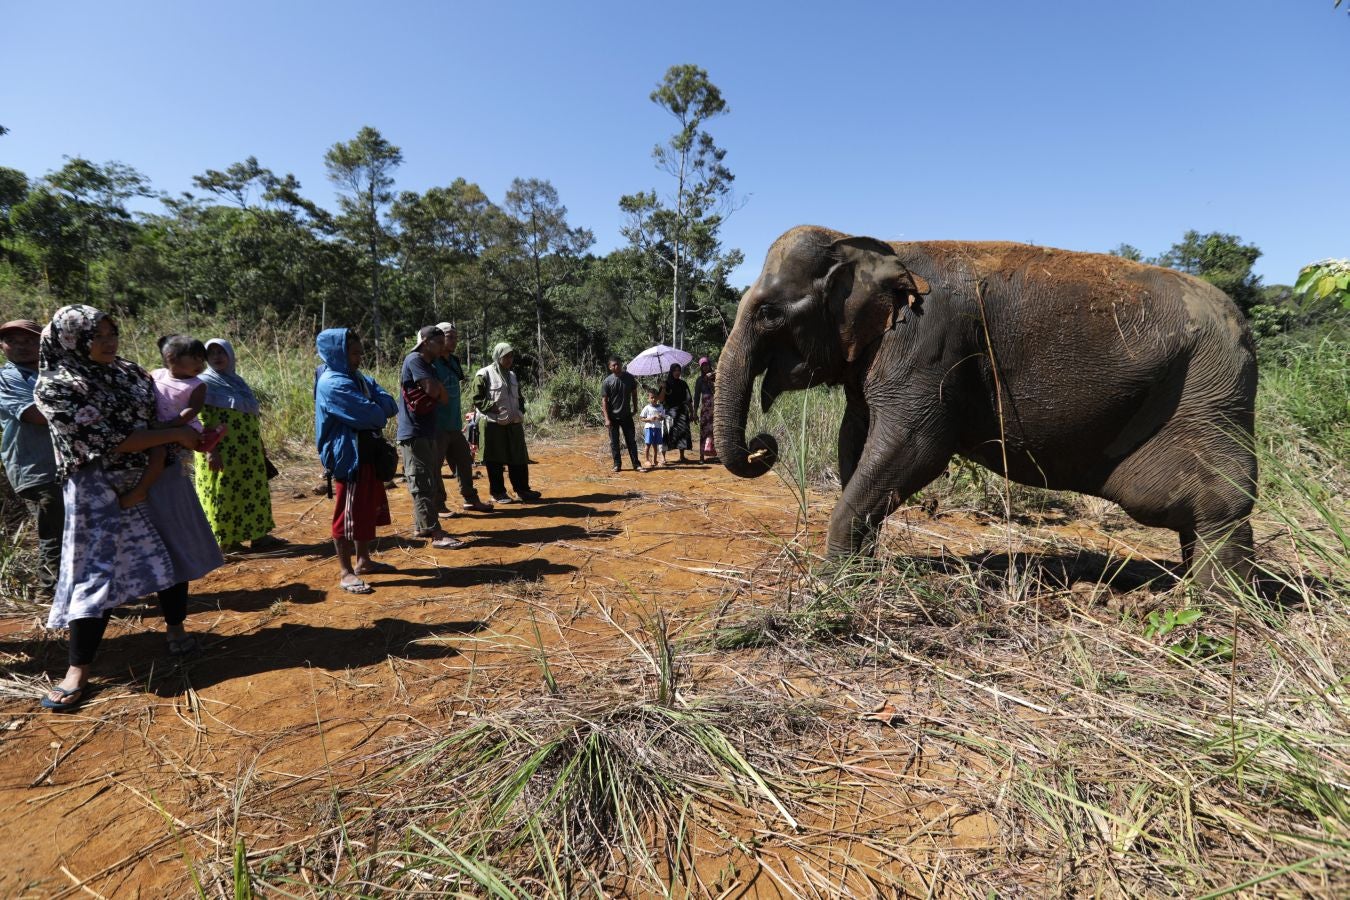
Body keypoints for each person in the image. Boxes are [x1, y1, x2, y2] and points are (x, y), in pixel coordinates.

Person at [33, 305, 223, 712]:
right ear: (71, 339)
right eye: (96, 335)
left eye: (112, 332)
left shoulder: (129, 372)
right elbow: (108, 440)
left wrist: (174, 442)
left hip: (159, 478)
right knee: (95, 572)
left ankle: (175, 630)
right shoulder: (56, 385)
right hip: (99, 490)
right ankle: (77, 670)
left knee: (171, 556)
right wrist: (176, 435)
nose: (109, 341)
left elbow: (154, 419)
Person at [315, 328, 399, 593]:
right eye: (353, 353)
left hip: (366, 453)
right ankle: (345, 571)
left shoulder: (356, 377)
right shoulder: (334, 383)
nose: (359, 358)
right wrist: (373, 405)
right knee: (347, 514)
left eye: (360, 352)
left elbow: (390, 405)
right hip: (349, 456)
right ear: (337, 353)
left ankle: (364, 561)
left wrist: (373, 405)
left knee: (365, 510)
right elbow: (375, 415)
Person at [195, 338, 281, 551]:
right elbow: (201, 419)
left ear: (230, 355)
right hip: (221, 451)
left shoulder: (238, 382)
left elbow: (250, 417)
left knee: (253, 491)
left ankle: (259, 536)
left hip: (247, 451)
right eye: (212, 353)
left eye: (221, 352)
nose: (217, 357)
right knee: (223, 494)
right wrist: (211, 450)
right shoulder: (204, 383)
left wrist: (259, 443)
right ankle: (227, 541)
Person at [0, 319, 63, 597]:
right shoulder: (8, 378)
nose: (21, 346)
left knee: (73, 527)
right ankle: (52, 593)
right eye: (12, 340)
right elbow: (35, 416)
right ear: (2, 346)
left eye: (29, 340)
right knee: (55, 528)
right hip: (37, 467)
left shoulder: (56, 372)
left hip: (66, 464)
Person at [396, 325, 465, 549]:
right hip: (414, 431)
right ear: (426, 342)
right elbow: (436, 392)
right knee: (422, 481)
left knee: (428, 479)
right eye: (438, 342)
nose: (443, 345)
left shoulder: (429, 365)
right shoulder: (415, 359)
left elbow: (441, 396)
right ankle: (436, 533)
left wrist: (435, 389)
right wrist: (435, 389)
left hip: (426, 429)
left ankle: (422, 525)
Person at [431, 321, 492, 514]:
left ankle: (470, 499)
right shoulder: (430, 362)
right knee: (435, 467)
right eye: (450, 337)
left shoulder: (454, 361)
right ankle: (438, 504)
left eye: (456, 337)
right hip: (436, 425)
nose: (454, 341)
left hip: (454, 424)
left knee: (464, 462)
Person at [472, 342, 541, 503]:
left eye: (511, 356)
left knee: (519, 458)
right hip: (493, 424)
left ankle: (522, 490)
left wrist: (520, 411)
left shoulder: (511, 375)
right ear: (497, 356)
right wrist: (492, 408)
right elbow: (477, 398)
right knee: (495, 460)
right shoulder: (484, 374)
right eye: (506, 356)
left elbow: (520, 397)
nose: (509, 359)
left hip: (514, 423)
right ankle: (498, 493)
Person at [600, 356, 644, 473]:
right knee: (614, 442)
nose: (616, 366)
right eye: (613, 365)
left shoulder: (629, 378)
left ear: (621, 364)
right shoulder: (607, 381)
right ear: (610, 367)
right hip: (612, 417)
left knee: (631, 441)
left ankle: (636, 464)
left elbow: (634, 394)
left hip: (626, 416)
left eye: (618, 364)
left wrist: (635, 408)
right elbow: (604, 401)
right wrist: (607, 419)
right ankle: (617, 465)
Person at [662, 362, 694, 463]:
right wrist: (663, 388)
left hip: (682, 412)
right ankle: (663, 457)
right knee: (666, 435)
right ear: (671, 372)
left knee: (683, 434)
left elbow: (688, 399)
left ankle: (682, 456)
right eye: (675, 370)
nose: (677, 372)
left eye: (678, 370)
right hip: (669, 413)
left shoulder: (683, 384)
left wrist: (692, 413)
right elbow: (661, 400)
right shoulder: (665, 384)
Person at [693, 356, 717, 463]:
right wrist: (694, 411)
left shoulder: (716, 377)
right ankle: (702, 456)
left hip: (716, 407)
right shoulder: (699, 380)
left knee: (716, 431)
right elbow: (697, 396)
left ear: (709, 365)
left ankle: (717, 454)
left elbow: (717, 390)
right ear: (701, 367)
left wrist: (711, 379)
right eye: (703, 366)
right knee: (704, 431)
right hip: (705, 409)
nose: (705, 367)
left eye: (707, 365)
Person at [639, 386, 668, 469]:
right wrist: (649, 419)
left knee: (655, 445)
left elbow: (663, 417)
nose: (653, 399)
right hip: (649, 428)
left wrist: (660, 417)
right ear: (648, 398)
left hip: (657, 428)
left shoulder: (660, 407)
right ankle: (647, 460)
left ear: (658, 397)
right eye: (651, 398)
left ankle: (655, 460)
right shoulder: (647, 407)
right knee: (647, 445)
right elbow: (641, 418)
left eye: (655, 397)